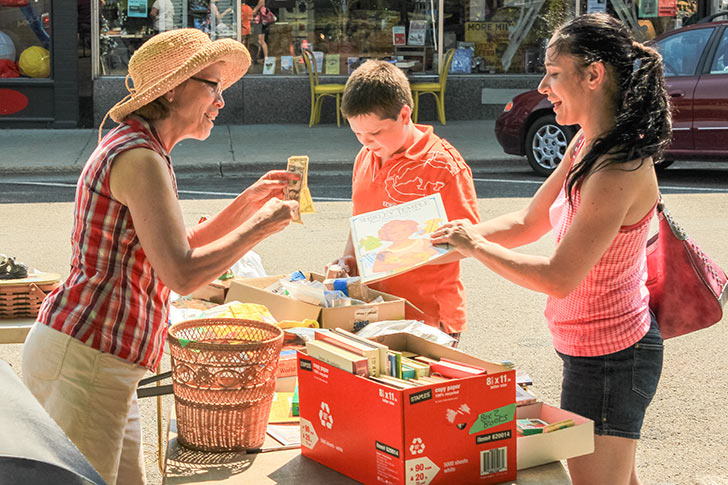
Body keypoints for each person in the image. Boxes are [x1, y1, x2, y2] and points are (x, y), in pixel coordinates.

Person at [21, 29, 299, 485]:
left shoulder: (144, 148)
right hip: (89, 358)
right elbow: (180, 272)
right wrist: (260, 227)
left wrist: (248, 203)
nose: (221, 101)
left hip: (98, 357)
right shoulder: (139, 157)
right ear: (174, 89)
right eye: (214, 86)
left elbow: (174, 245)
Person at [431, 13, 671, 484]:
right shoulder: (587, 144)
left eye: (554, 73)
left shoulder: (619, 167)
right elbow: (528, 221)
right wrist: (449, 239)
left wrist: (475, 247)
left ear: (594, 75)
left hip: (612, 359)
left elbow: (559, 276)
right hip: (592, 352)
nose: (543, 86)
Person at [331, 60, 480, 345]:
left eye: (374, 133)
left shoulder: (444, 166)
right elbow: (360, 219)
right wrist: (348, 258)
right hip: (376, 310)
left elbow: (472, 242)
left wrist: (401, 253)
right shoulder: (366, 156)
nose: (366, 143)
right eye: (357, 134)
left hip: (427, 317)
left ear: (403, 114)